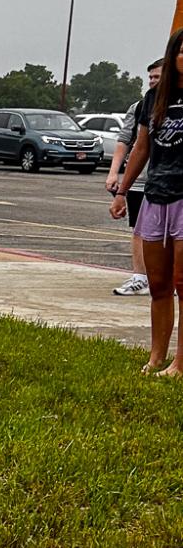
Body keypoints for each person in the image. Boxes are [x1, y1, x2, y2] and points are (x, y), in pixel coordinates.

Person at [110, 28, 183, 374]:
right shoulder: (153, 99)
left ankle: (179, 364)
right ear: (172, 57)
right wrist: (123, 190)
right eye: (181, 52)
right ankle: (156, 357)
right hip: (156, 195)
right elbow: (141, 147)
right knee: (158, 283)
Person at [107, 59, 163, 295]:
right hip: (142, 181)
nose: (152, 82)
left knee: (171, 234)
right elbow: (127, 142)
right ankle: (140, 277)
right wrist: (114, 173)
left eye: (157, 77)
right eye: (150, 77)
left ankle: (164, 277)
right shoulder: (140, 106)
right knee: (140, 229)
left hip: (170, 181)